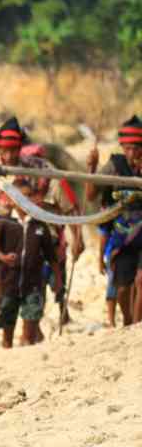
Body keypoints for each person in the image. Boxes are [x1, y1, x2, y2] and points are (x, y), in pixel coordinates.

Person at [0, 117, 83, 339]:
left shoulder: (40, 169)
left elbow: (69, 206)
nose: (9, 155)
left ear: (20, 147)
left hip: (36, 233)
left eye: (14, 149)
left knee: (33, 288)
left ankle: (31, 331)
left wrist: (76, 238)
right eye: (4, 150)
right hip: (3, 235)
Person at [0, 180, 62, 349]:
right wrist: (4, 257)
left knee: (29, 331)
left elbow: (51, 257)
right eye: (21, 196)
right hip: (10, 284)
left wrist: (57, 280)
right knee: (7, 334)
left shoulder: (40, 225)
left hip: (33, 285)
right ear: (12, 199)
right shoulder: (4, 224)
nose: (26, 200)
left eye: (29, 196)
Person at [85, 115, 142, 324]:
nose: (132, 153)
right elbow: (91, 194)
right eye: (127, 148)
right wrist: (91, 168)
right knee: (123, 289)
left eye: (136, 148)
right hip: (123, 235)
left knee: (141, 281)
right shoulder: (115, 165)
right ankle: (128, 321)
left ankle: (137, 328)